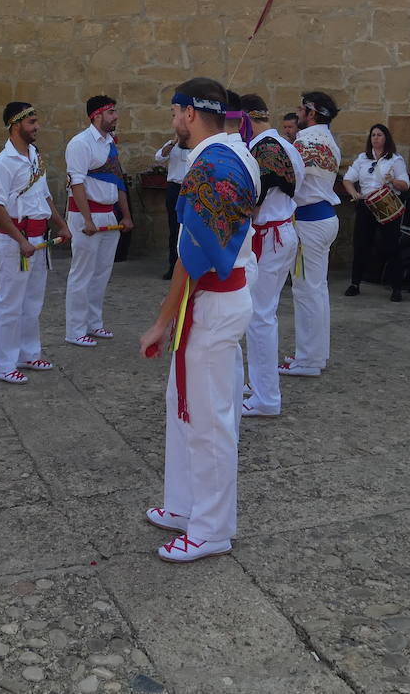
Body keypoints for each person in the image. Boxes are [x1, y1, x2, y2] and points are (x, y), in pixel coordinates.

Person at [140, 77, 258, 563]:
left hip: (212, 301)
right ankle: (184, 503)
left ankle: (210, 529)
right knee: (183, 402)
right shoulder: (235, 153)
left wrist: (163, 319)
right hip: (219, 301)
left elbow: (192, 254)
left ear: (189, 112)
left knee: (209, 419)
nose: (172, 122)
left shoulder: (210, 165)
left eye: (174, 113)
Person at [0, 101, 71, 385]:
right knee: (10, 302)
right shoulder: (1, 164)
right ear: (16, 124)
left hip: (38, 237)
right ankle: (3, 364)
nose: (37, 127)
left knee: (33, 300)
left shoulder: (35, 156)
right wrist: (20, 240)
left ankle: (28, 352)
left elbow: (43, 194)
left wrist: (60, 224)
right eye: (32, 122)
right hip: (15, 240)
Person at [238, 93, 303, 418]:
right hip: (282, 231)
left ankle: (266, 397)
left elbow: (255, 197)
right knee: (261, 314)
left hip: (271, 235)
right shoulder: (286, 145)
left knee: (260, 316)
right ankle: (259, 383)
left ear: (246, 119)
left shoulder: (264, 150)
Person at [64, 95, 134, 348]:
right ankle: (75, 329)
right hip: (87, 216)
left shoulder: (109, 144)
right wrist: (87, 219)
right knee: (82, 273)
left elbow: (118, 181)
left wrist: (125, 215)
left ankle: (94, 323)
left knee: (102, 272)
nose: (116, 116)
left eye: (115, 111)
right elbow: (77, 182)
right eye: (111, 112)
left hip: (108, 214)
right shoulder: (80, 144)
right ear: (96, 115)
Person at [280, 91, 341, 378]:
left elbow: (288, 179)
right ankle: (316, 354)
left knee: (306, 291)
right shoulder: (330, 141)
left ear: (311, 112)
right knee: (317, 290)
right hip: (323, 216)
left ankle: (308, 360)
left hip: (309, 221)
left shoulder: (304, 142)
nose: (298, 113)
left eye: (300, 109)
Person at [342, 124, 410, 301]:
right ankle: (355, 283)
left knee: (392, 247)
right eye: (373, 135)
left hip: (386, 205)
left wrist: (393, 180)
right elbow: (348, 179)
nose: (376, 138)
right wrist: (354, 194)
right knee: (361, 245)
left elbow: (405, 185)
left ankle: (396, 287)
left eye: (379, 135)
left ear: (386, 138)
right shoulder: (362, 159)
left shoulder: (395, 160)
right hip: (366, 205)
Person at [154, 133, 191, 279]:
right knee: (174, 228)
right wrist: (173, 142)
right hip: (174, 189)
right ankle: (173, 266)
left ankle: (189, 265)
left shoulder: (196, 144)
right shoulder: (171, 145)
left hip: (190, 188)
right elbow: (159, 157)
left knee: (191, 228)